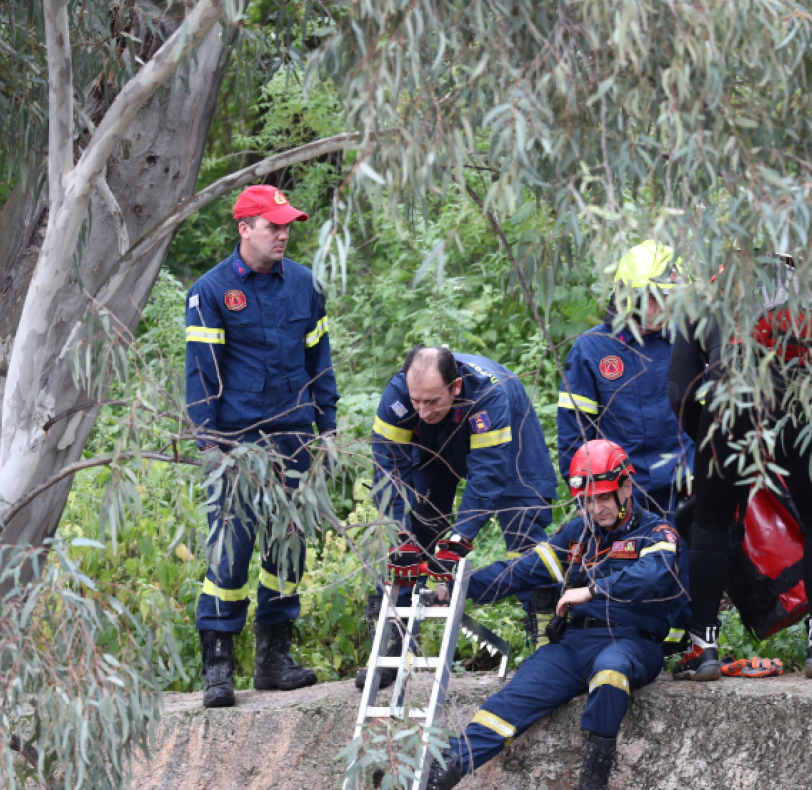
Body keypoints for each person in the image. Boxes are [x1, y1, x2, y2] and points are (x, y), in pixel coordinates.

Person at [422, 439, 689, 790]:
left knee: (611, 671)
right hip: (574, 644)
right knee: (514, 698)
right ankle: (440, 774)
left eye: (603, 498)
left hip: (632, 642)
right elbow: (521, 571)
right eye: (587, 500)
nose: (595, 509)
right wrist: (457, 587)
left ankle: (592, 782)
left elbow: (651, 575)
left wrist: (590, 590)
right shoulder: (577, 534)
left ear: (626, 486)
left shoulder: (657, 533)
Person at [668, 253, 812, 681]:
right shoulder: (809, 281)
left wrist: (710, 441)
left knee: (710, 524)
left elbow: (679, 388)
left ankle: (702, 648)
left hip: (729, 404)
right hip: (804, 405)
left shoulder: (705, 291)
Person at [185, 184, 338, 708]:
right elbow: (201, 378)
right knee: (230, 550)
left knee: (286, 547)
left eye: (287, 225)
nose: (283, 233)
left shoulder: (303, 285)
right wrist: (211, 446)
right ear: (243, 228)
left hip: (294, 437)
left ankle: (274, 659)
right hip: (236, 443)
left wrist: (329, 429)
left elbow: (320, 363)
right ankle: (218, 666)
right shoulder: (210, 292)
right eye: (273, 226)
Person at [357, 346, 556, 690]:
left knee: (522, 525)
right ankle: (392, 641)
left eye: (431, 401)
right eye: (416, 401)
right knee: (415, 525)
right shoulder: (400, 398)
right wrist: (400, 535)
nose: (421, 410)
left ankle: (548, 645)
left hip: (509, 441)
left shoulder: (489, 396)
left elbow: (486, 480)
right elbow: (389, 476)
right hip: (433, 447)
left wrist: (459, 540)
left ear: (456, 387)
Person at [557, 240, 694, 518]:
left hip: (686, 491)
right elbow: (576, 434)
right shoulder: (591, 349)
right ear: (628, 295)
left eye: (669, 297)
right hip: (624, 495)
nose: (663, 307)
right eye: (654, 298)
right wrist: (585, 497)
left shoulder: (689, 340)